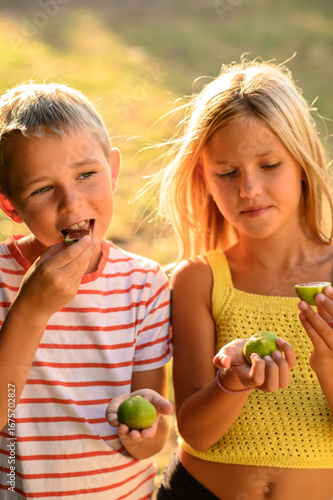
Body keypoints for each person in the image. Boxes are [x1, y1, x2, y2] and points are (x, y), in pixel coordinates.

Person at [155, 59, 333, 500]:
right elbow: (196, 433)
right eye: (227, 172)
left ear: (302, 160)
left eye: (269, 164)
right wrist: (231, 381)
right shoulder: (199, 280)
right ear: (205, 179)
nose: (249, 188)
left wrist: (328, 364)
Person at [0, 82, 173, 499]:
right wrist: (31, 309)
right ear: (10, 206)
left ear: (112, 171)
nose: (72, 203)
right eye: (42, 189)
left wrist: (145, 432)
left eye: (86, 175)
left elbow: (153, 427)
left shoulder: (144, 285)